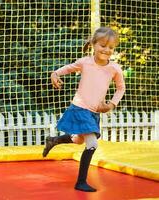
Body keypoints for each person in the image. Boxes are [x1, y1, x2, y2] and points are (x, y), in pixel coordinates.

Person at [43, 27, 125, 192]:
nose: (106, 50)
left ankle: (54, 140)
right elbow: (69, 68)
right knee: (92, 144)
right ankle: (81, 182)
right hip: (80, 108)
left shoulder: (114, 68)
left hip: (94, 112)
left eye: (111, 47)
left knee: (78, 140)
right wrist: (55, 74)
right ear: (94, 44)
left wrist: (111, 104)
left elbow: (121, 88)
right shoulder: (85, 62)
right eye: (103, 45)